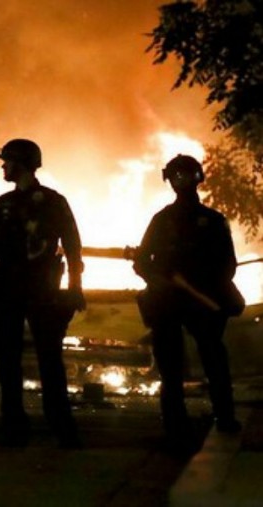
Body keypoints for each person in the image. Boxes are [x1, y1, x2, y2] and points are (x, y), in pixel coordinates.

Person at [0, 138, 86, 448]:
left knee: (29, 361)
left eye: (8, 161)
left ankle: (22, 427)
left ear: (21, 163)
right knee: (35, 360)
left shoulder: (11, 205)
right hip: (29, 293)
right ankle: (55, 428)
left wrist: (75, 287)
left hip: (27, 293)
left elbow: (71, 246)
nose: (3, 166)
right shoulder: (43, 202)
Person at [133, 154, 244, 454]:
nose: (179, 181)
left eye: (182, 175)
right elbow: (142, 262)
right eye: (176, 176)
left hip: (198, 302)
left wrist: (202, 285)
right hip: (171, 301)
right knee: (178, 364)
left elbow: (227, 265)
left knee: (205, 360)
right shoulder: (167, 220)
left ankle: (215, 418)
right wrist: (161, 281)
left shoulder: (207, 220)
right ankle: (187, 424)